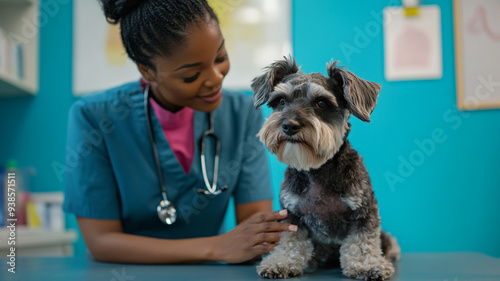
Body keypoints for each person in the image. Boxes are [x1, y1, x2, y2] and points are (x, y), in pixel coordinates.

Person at [63, 0, 297, 264]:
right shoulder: (94, 117)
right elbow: (101, 241)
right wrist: (216, 247)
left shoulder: (243, 112)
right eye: (190, 76)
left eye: (220, 57)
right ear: (147, 71)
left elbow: (255, 230)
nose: (215, 78)